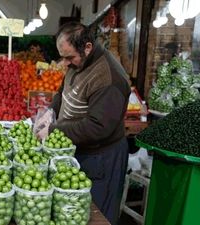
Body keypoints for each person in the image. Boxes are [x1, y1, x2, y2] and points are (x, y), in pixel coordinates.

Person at [48, 21, 130, 225]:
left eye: (69, 57)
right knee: (73, 211)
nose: (65, 63)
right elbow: (63, 91)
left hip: (102, 157)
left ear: (87, 47)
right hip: (80, 149)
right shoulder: (79, 62)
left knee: (96, 214)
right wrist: (50, 112)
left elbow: (97, 127)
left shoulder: (108, 77)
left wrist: (53, 130)